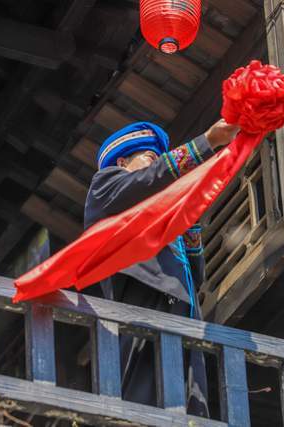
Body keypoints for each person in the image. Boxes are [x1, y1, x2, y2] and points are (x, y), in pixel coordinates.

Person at [83, 119, 239, 417]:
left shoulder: (162, 217)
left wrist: (188, 215)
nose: (159, 168)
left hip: (182, 323)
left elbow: (196, 274)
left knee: (191, 409)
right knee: (139, 403)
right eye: (151, 158)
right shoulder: (105, 187)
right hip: (140, 311)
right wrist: (207, 141)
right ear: (122, 161)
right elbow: (149, 179)